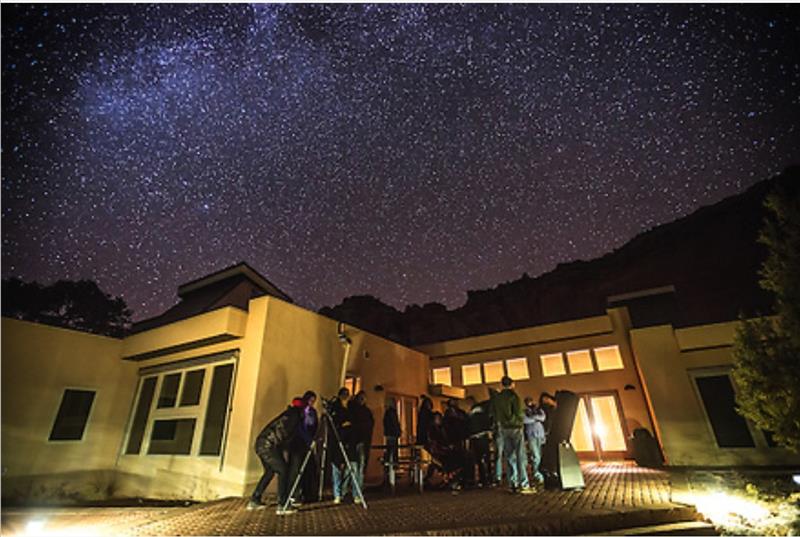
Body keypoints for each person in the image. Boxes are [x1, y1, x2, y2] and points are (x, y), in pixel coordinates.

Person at [249, 401, 303, 514]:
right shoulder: (294, 416)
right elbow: (285, 434)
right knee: (283, 471)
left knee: (269, 472)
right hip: (269, 446)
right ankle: (282, 504)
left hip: (261, 443)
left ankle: (255, 499)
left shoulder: (287, 414)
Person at [491, 376, 535, 494]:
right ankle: (524, 484)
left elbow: (495, 413)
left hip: (504, 429)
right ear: (512, 384)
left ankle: (512, 483)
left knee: (509, 456)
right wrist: (519, 422)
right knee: (520, 456)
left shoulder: (498, 398)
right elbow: (518, 413)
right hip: (515, 428)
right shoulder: (513, 396)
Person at [288, 391, 319, 505]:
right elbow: (299, 427)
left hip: (308, 444)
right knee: (296, 469)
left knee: (309, 468)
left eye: (313, 401)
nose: (311, 403)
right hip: (298, 443)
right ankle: (293, 493)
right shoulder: (299, 411)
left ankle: (308, 493)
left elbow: (315, 426)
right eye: (310, 400)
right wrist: (307, 439)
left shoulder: (313, 412)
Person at [347, 390, 374, 504]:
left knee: (360, 468)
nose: (363, 400)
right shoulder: (354, 411)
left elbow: (370, 425)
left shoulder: (366, 411)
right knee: (355, 468)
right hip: (355, 442)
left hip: (363, 441)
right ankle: (354, 491)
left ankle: (357, 491)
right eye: (361, 398)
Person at [328, 387, 354, 504]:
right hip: (337, 441)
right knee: (337, 468)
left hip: (348, 440)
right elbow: (333, 423)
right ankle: (337, 493)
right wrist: (342, 425)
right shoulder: (336, 408)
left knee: (349, 467)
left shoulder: (350, 408)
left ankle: (343, 490)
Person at [466, 396, 492, 487]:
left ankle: (484, 479)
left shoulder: (473, 415)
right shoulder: (483, 413)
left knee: (480, 459)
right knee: (485, 459)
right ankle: (488, 478)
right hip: (483, 438)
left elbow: (470, 428)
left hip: (477, 439)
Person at [523, 396, 546, 486]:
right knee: (535, 455)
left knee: (540, 455)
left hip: (540, 434)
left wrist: (533, 417)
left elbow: (543, 418)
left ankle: (539, 472)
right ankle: (537, 474)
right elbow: (525, 420)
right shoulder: (524, 411)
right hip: (531, 435)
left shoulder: (539, 409)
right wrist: (536, 418)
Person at [383, 397, 401, 467]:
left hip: (390, 434)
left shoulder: (387, 412)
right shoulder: (391, 412)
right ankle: (393, 467)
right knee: (393, 451)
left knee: (390, 451)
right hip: (392, 434)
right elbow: (394, 423)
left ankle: (390, 467)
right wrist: (398, 431)